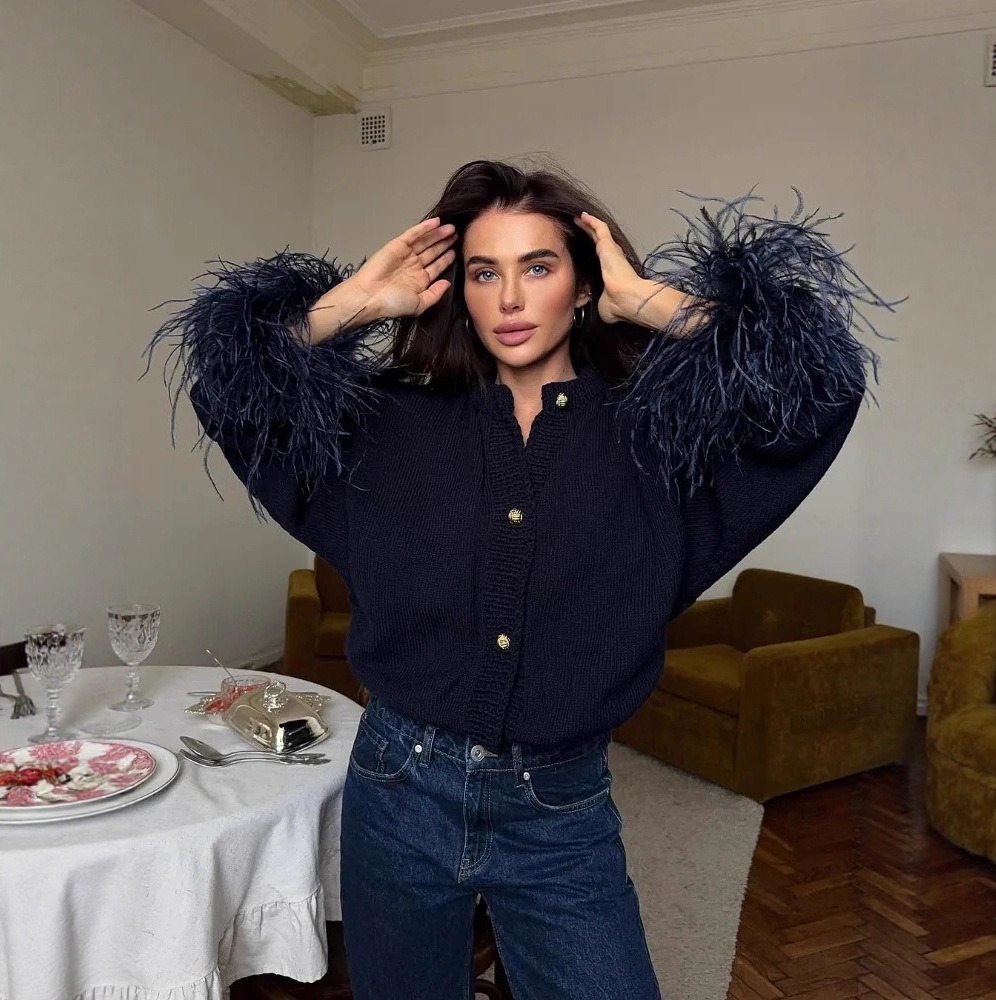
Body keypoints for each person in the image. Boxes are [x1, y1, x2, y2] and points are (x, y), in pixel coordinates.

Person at [144, 158, 899, 1000]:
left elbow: (825, 385)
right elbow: (228, 389)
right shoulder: (389, 426)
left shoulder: (657, 439)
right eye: (483, 272)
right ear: (458, 292)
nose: (509, 298)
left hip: (561, 811)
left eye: (538, 268)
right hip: (397, 790)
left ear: (581, 284)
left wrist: (645, 300)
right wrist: (356, 302)